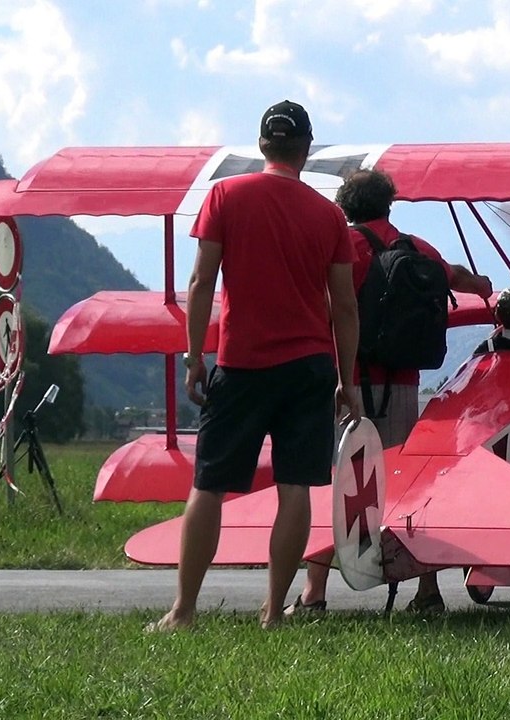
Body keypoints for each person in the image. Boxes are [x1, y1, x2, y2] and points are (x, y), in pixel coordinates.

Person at [148, 100, 362, 631]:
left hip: (241, 362)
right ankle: (273, 612)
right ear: (306, 149)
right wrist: (348, 380)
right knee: (295, 487)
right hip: (309, 364)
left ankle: (184, 611)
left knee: (210, 484)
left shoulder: (225, 194)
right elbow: (345, 305)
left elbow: (201, 282)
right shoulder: (329, 215)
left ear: (262, 146)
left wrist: (196, 355)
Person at [288, 167, 492, 616]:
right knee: (408, 491)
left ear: (344, 207)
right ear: (389, 204)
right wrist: (480, 286)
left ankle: (313, 592)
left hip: (348, 384)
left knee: (334, 486)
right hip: (402, 385)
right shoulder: (416, 247)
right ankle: (427, 591)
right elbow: (452, 273)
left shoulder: (343, 246)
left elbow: (323, 303)